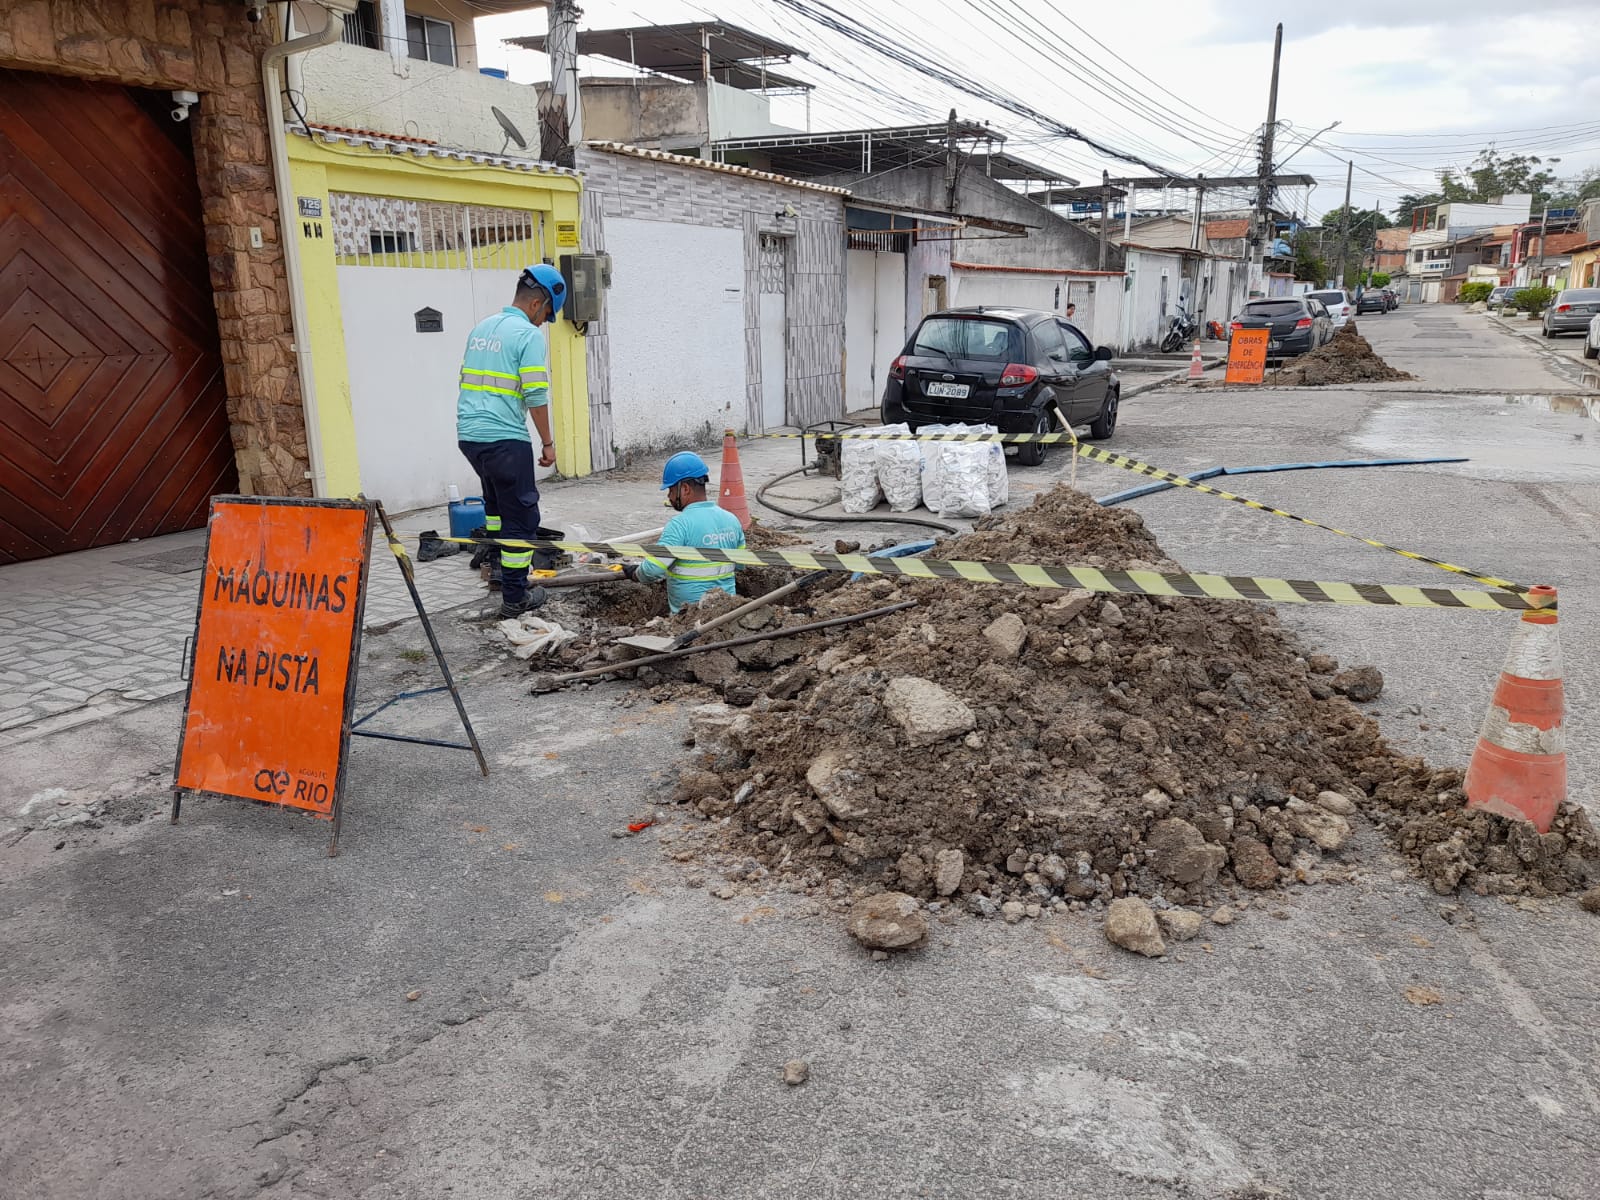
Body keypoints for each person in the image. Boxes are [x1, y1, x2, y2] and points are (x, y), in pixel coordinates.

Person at [456, 263, 567, 618]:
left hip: (470, 437)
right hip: (505, 438)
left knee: (494, 506)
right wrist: (547, 443)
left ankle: (497, 568)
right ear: (537, 303)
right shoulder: (527, 336)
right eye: (546, 314)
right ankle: (515, 597)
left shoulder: (481, 329)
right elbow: (535, 394)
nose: (543, 322)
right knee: (521, 515)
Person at [624, 452, 744, 612]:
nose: (669, 496)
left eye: (671, 490)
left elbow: (653, 569)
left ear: (685, 489)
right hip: (727, 613)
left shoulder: (679, 525)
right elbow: (740, 564)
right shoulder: (732, 520)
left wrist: (635, 573)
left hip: (690, 617)